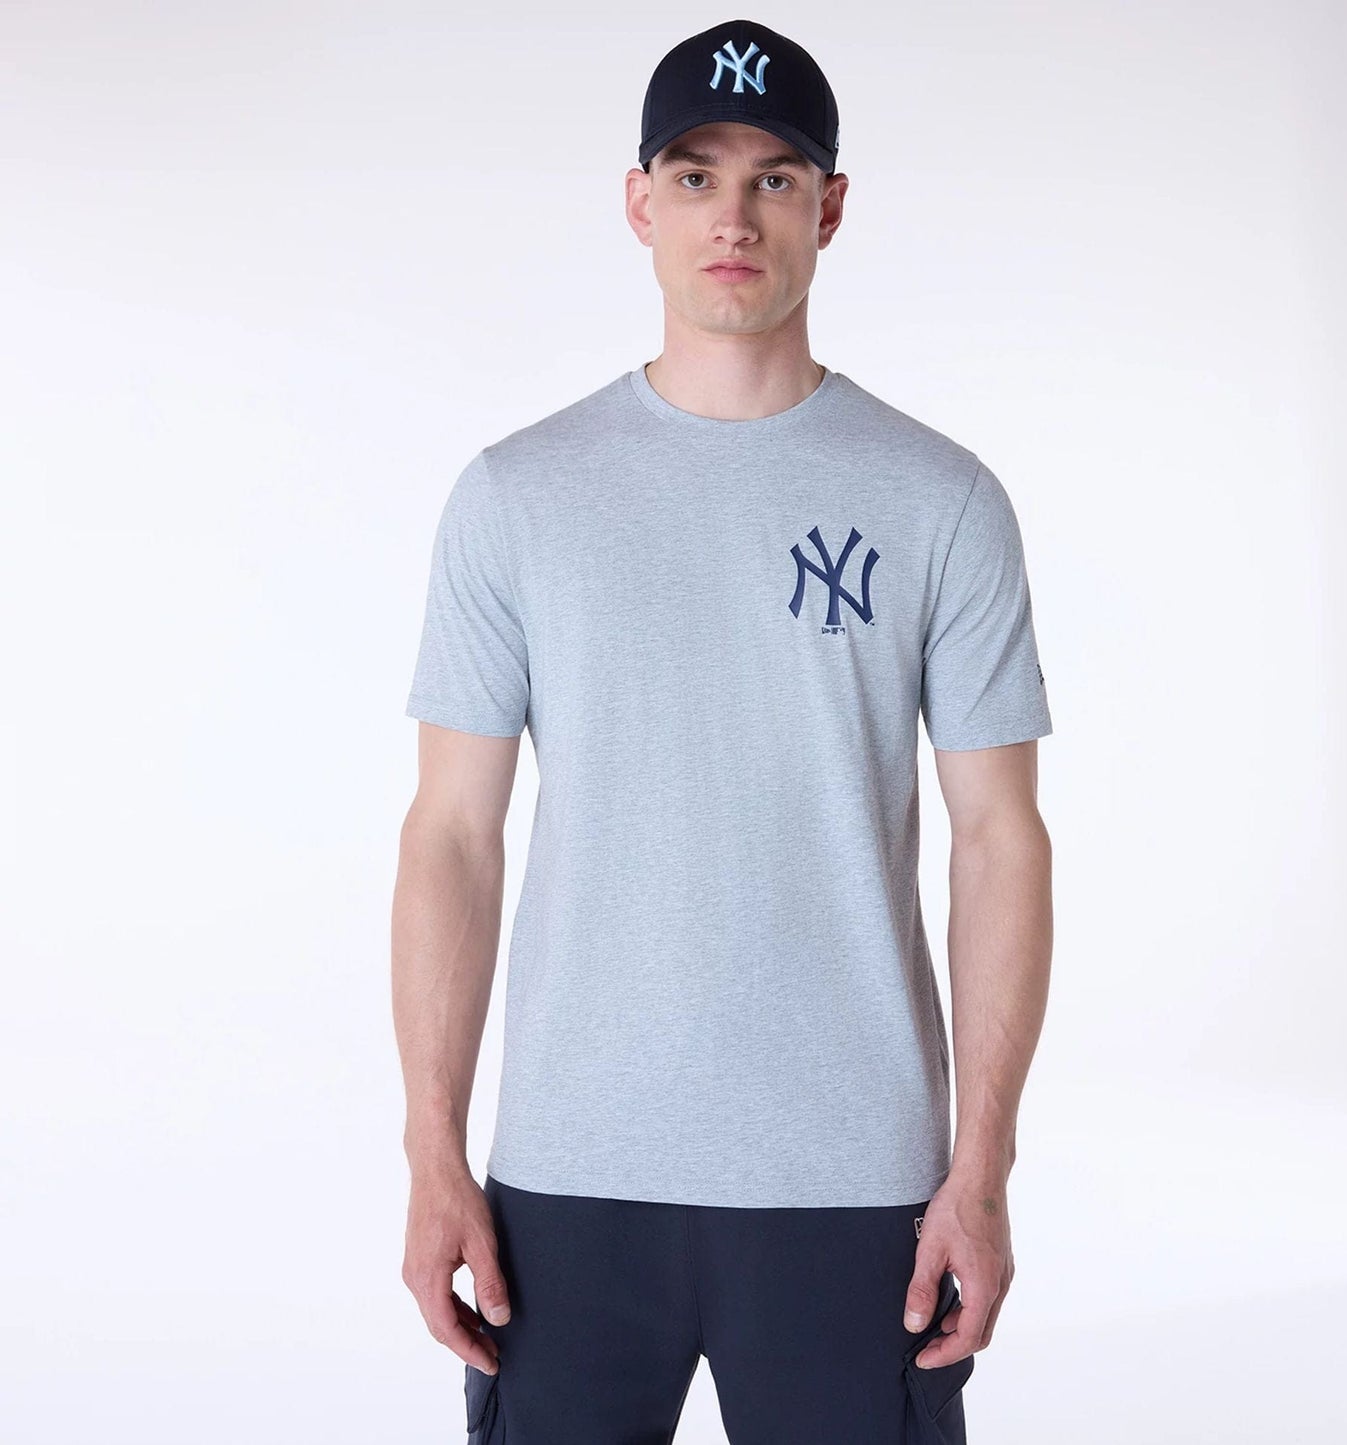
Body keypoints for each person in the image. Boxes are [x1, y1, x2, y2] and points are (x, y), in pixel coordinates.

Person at [391, 18, 1055, 1444]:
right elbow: (452, 833)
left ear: (831, 206)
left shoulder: (938, 499)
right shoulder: (519, 495)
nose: (733, 216)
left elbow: (999, 838)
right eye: (695, 176)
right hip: (567, 1177)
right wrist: (431, 1151)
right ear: (640, 203)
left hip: (858, 1185)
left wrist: (983, 1165)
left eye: (773, 177)